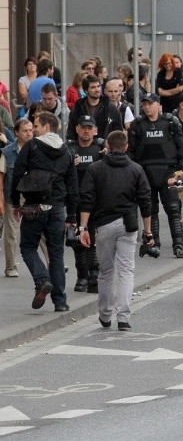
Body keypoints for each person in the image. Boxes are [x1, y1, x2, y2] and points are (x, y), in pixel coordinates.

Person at [78, 130, 153, 331]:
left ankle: (104, 313)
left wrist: (83, 227)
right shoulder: (136, 169)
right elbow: (146, 201)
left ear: (108, 147)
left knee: (106, 271)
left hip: (103, 225)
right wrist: (148, 232)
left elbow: (87, 199)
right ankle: (123, 317)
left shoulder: (95, 169)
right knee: (127, 269)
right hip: (128, 224)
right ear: (126, 147)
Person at [10, 113, 78, 312]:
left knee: (28, 247)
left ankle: (41, 279)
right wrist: (72, 216)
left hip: (34, 206)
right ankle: (61, 301)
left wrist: (15, 203)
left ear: (48, 126)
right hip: (57, 208)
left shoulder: (32, 147)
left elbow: (17, 174)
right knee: (56, 253)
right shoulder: (67, 151)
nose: (34, 130)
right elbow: (73, 187)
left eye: (37, 126)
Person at [127, 93, 183, 257]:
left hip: (168, 171)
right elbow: (131, 151)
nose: (147, 107)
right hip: (145, 171)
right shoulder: (137, 125)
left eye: (150, 104)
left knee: (173, 209)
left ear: (158, 105)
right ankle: (154, 244)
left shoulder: (170, 122)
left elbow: (181, 147)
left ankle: (179, 245)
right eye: (144, 104)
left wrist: (181, 168)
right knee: (150, 209)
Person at [67, 116, 105, 293]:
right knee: (76, 241)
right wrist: (69, 164)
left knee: (92, 240)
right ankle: (82, 276)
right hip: (74, 202)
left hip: (95, 203)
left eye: (89, 128)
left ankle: (94, 276)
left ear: (94, 130)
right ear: (77, 129)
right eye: (83, 127)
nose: (86, 131)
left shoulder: (100, 150)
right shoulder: (70, 149)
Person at [0, 118, 33, 277]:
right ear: (16, 133)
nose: (29, 133)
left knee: (40, 232)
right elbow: (1, 177)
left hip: (33, 197)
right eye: (25, 131)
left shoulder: (37, 149)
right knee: (11, 233)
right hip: (12, 197)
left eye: (31, 130)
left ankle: (52, 263)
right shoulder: (7, 152)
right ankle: (11, 266)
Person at [67, 75, 123, 142]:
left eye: (98, 86)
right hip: (82, 147)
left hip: (104, 148)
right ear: (86, 91)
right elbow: (71, 129)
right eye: (93, 87)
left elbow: (118, 131)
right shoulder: (78, 107)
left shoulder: (110, 107)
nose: (97, 90)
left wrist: (109, 146)